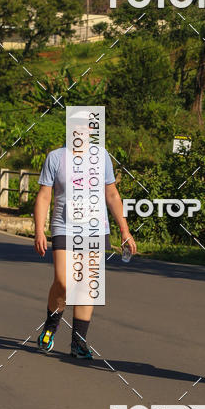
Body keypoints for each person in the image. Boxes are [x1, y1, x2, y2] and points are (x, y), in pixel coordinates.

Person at [33, 144, 136, 358]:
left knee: (87, 284)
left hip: (94, 228)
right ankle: (51, 327)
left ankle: (78, 342)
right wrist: (39, 230)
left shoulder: (102, 157)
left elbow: (112, 194)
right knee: (63, 281)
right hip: (64, 226)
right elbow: (44, 196)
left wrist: (124, 230)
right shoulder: (56, 157)